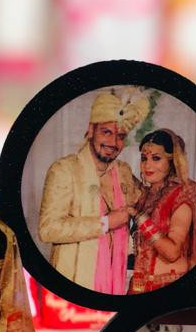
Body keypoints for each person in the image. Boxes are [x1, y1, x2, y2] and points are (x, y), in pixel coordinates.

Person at [38, 89, 148, 293]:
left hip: (115, 279)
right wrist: (105, 223)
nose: (113, 143)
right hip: (75, 281)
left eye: (120, 136)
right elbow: (48, 229)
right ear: (90, 130)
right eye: (106, 132)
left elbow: (148, 198)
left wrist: (183, 187)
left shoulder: (122, 171)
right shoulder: (64, 169)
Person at [129, 128, 196, 294]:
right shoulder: (143, 195)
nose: (147, 165)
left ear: (172, 161)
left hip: (168, 285)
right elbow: (117, 172)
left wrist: (139, 217)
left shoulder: (182, 196)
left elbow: (172, 252)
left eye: (156, 158)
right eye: (144, 158)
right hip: (139, 286)